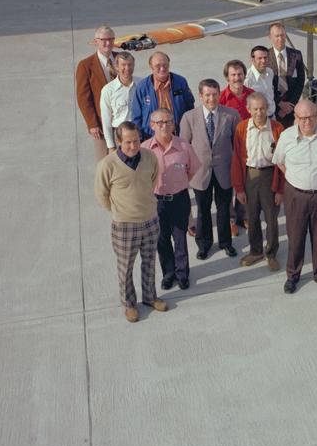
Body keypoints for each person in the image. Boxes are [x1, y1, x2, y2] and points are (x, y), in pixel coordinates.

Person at [272, 99, 317, 293]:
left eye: (312, 117)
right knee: (295, 236)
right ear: (296, 118)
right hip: (296, 195)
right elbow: (280, 162)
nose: (307, 121)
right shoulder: (287, 137)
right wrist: (300, 180)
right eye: (303, 118)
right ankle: (293, 276)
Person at [94, 121, 166, 322]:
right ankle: (129, 304)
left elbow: (153, 179)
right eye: (128, 142)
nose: (133, 146)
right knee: (125, 267)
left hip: (150, 220)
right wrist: (119, 211)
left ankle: (150, 297)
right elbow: (102, 195)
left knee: (150, 262)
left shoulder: (150, 157)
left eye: (136, 141)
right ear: (118, 141)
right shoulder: (107, 165)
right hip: (124, 225)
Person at [179, 78, 240, 260]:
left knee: (224, 208)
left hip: (224, 170)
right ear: (200, 96)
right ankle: (204, 245)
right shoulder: (189, 118)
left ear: (219, 94)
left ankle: (225, 242)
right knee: (203, 210)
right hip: (200, 173)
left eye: (214, 94)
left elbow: (236, 144)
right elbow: (184, 146)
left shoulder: (231, 115)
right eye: (207, 95)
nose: (211, 99)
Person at [141, 108, 200, 291]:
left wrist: (179, 184)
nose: (164, 126)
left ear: (173, 124)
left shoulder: (184, 147)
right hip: (156, 201)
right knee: (162, 239)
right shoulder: (144, 150)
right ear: (152, 126)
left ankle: (182, 274)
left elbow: (192, 169)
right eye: (159, 123)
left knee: (180, 237)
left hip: (179, 198)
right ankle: (168, 274)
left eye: (167, 122)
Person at [231, 93, 286, 271]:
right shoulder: (241, 128)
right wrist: (239, 188)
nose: (259, 112)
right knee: (252, 216)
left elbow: (283, 161)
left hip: (270, 175)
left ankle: (271, 253)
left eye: (262, 108)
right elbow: (237, 160)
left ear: (268, 108)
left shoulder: (277, 128)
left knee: (271, 218)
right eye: (255, 109)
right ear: (248, 110)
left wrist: (280, 190)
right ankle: (256, 251)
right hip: (251, 176)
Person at [219, 58, 255, 233]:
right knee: (228, 184)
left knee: (246, 182)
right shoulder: (221, 98)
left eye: (240, 74)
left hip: (249, 146)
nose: (237, 78)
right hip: (228, 146)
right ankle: (231, 219)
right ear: (227, 77)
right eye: (233, 75)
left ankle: (243, 215)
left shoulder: (253, 95)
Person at [75, 25, 118, 161]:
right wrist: (92, 123)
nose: (108, 43)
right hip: (101, 123)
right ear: (96, 41)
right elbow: (83, 98)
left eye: (111, 39)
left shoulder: (122, 59)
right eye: (104, 40)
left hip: (122, 119)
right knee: (104, 161)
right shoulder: (85, 65)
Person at [130, 51, 194, 139]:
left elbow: (190, 109)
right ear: (151, 67)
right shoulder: (142, 87)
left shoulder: (181, 82)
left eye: (165, 65)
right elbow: (136, 117)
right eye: (158, 66)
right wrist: (141, 140)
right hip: (151, 138)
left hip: (178, 136)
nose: (162, 68)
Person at [99, 51, 139, 153]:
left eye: (130, 64)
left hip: (139, 134)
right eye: (123, 65)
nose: (127, 68)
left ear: (134, 65)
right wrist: (111, 146)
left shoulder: (142, 85)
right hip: (120, 135)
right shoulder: (108, 90)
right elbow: (106, 120)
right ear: (116, 67)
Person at [268, 22, 306, 128]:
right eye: (276, 36)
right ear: (270, 37)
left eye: (282, 35)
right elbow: (266, 86)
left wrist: (290, 105)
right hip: (273, 106)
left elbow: (300, 81)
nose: (280, 38)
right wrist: (280, 103)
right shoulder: (266, 57)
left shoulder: (296, 55)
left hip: (291, 106)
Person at [244, 45, 277, 118]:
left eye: (265, 58)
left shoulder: (270, 72)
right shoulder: (247, 78)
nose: (263, 61)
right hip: (258, 120)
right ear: (252, 59)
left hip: (272, 117)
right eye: (259, 58)